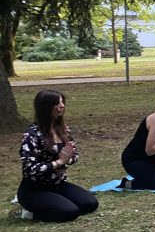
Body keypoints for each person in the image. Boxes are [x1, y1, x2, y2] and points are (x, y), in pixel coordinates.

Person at [15, 90, 98, 222]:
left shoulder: (63, 130)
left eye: (62, 102)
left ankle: (56, 202)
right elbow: (30, 168)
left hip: (58, 184)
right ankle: (26, 213)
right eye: (57, 103)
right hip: (34, 189)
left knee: (90, 204)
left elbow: (74, 155)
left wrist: (68, 158)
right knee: (70, 212)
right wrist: (59, 162)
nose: (62, 106)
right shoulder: (32, 135)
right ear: (45, 107)